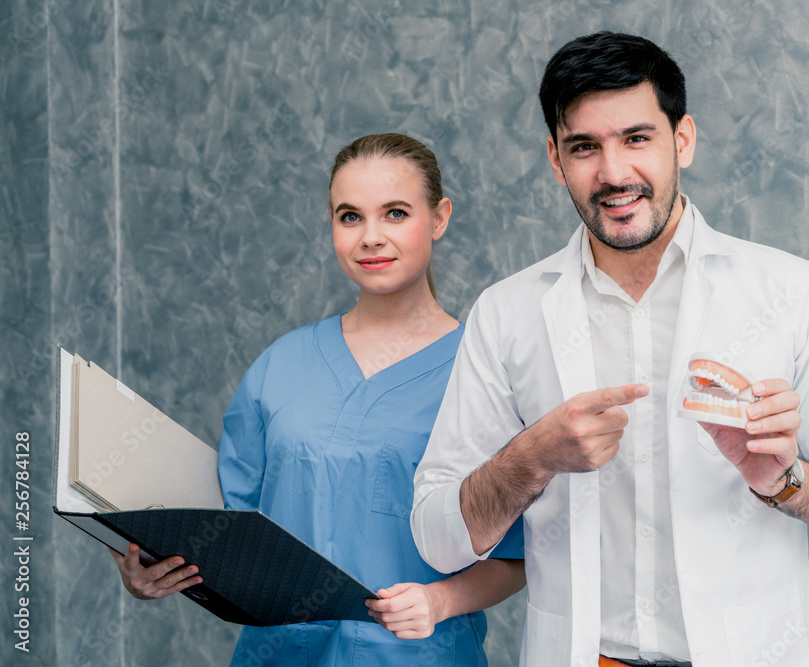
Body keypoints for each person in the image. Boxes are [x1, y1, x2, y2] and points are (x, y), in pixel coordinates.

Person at [410, 32, 809, 666]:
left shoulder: (790, 290)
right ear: (555, 159)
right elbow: (437, 534)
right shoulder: (506, 313)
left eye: (637, 138)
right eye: (585, 147)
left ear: (683, 140)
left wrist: (784, 481)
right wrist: (529, 458)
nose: (614, 173)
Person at [111, 132, 525, 665]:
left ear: (440, 218)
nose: (371, 237)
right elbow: (225, 528)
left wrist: (441, 600)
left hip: (416, 656)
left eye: (395, 213)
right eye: (350, 216)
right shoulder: (280, 366)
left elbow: (517, 554)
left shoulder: (482, 372)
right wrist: (156, 567)